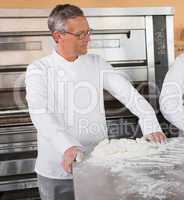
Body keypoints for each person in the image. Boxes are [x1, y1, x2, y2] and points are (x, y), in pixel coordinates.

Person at [25, 4, 166, 200]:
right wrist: (67, 146)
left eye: (88, 32)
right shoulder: (38, 69)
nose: (88, 38)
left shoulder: (96, 63)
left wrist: (150, 123)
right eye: (81, 34)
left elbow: (129, 94)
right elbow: (40, 114)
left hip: (96, 165)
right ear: (58, 36)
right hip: (57, 169)